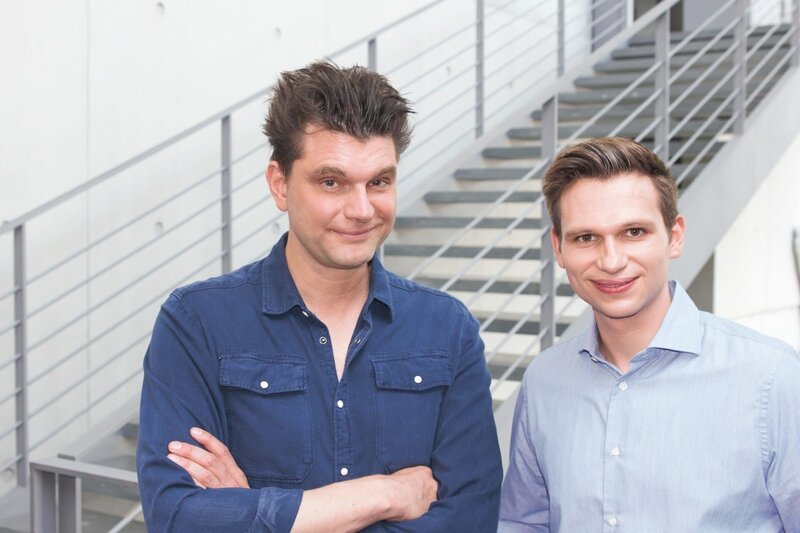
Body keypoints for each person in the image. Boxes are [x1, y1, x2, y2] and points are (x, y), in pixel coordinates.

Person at [137, 61, 502, 532]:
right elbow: (177, 517)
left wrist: (258, 514)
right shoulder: (196, 322)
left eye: (379, 181)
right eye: (332, 182)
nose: (362, 209)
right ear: (279, 184)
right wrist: (383, 494)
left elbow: (470, 518)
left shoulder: (448, 329)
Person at [498, 137, 800, 531]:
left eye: (634, 232)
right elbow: (523, 523)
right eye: (586, 238)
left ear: (674, 235)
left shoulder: (771, 377)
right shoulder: (544, 381)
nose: (611, 261)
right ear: (559, 248)